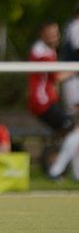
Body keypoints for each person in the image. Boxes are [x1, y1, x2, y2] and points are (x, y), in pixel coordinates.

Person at [28, 21, 79, 180]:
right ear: (42, 34)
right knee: (73, 131)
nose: (55, 37)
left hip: (45, 101)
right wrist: (74, 70)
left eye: (56, 33)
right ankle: (55, 171)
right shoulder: (41, 52)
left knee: (74, 134)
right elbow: (56, 76)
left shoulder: (47, 50)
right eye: (51, 34)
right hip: (41, 103)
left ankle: (76, 174)